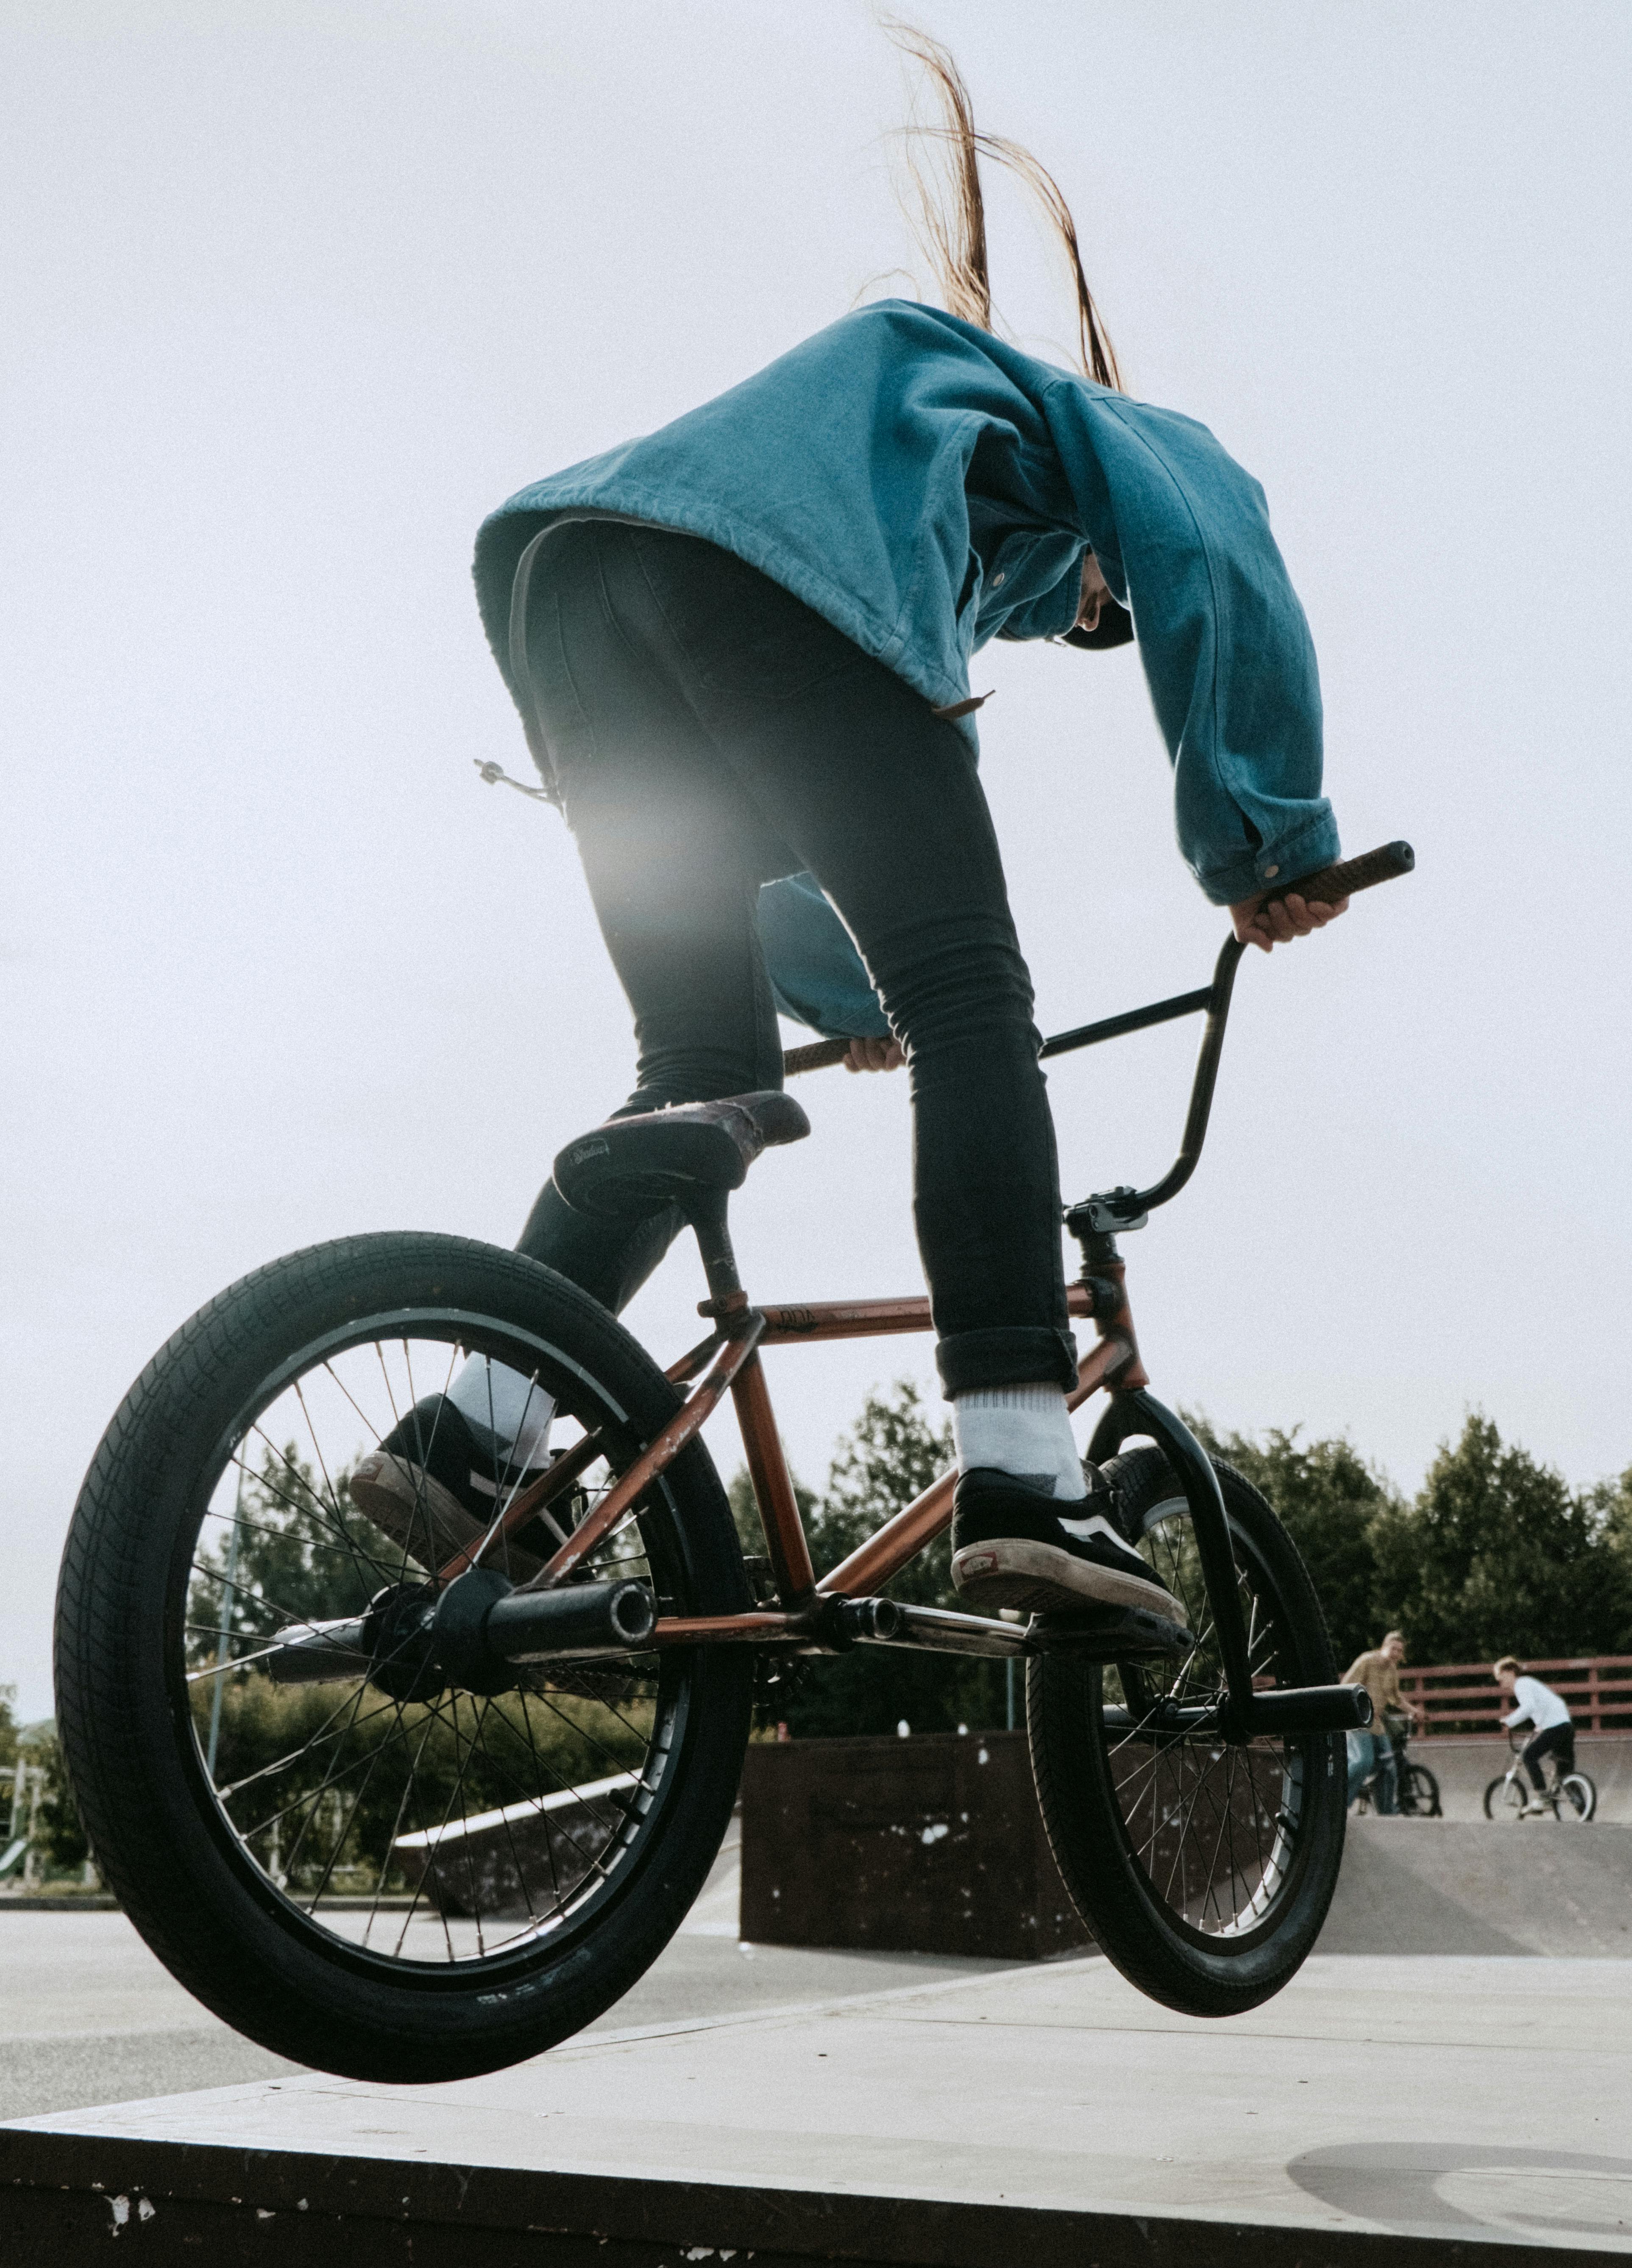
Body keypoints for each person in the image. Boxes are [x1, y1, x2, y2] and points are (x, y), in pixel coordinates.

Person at [350, 29, 1348, 1622]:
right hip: (734, 582)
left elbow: (792, 834)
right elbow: (1215, 559)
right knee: (980, 1008)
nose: (1071, 619)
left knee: (700, 1075)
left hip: (576, 598)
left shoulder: (892, 475)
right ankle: (1026, 1460)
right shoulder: (1107, 438)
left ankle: (476, 1428)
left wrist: (844, 1001)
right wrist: (1268, 843)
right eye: (1088, 610)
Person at [1341, 1631, 1410, 1814]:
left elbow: (1396, 1698)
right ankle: (1339, 1802)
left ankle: (1386, 1811)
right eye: (1393, 1648)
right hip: (1357, 1720)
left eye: (1399, 1651)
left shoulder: (1392, 1670)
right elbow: (1347, 1687)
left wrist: (1415, 1712)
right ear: (1384, 1647)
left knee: (1388, 1765)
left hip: (1376, 1723)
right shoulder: (1367, 1661)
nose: (1396, 1654)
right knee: (1364, 1760)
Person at [1496, 1657, 1576, 1802]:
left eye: (1501, 1679)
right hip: (1566, 1726)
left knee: (1529, 1756)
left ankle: (1542, 1796)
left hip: (1555, 1727)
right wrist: (1540, 1726)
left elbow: (1529, 1708)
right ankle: (1584, 1811)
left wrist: (1509, 1721)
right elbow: (1544, 1706)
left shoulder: (1521, 1684)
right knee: (1565, 1776)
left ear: (1510, 1672)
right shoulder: (1529, 1684)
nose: (1501, 1685)